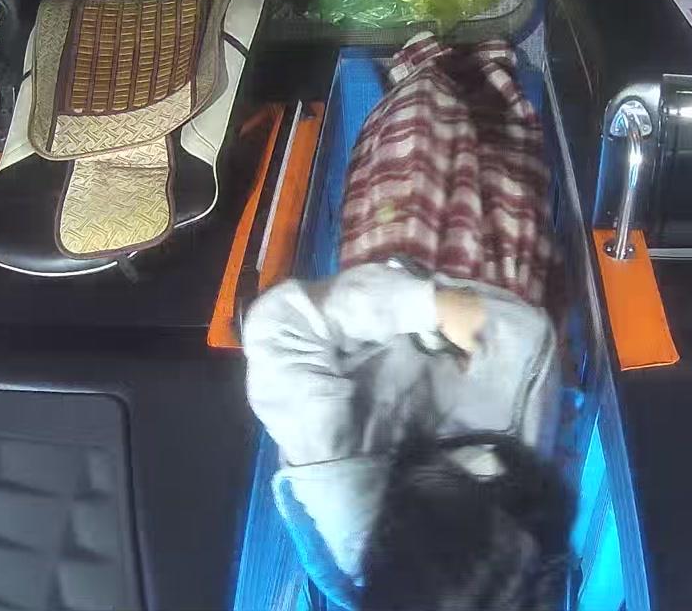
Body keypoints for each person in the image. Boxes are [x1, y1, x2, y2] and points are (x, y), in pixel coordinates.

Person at [243, 261, 573, 610]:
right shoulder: (523, 537)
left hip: (381, 300)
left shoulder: (343, 493)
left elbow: (277, 327)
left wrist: (425, 306)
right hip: (502, 312)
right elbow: (534, 356)